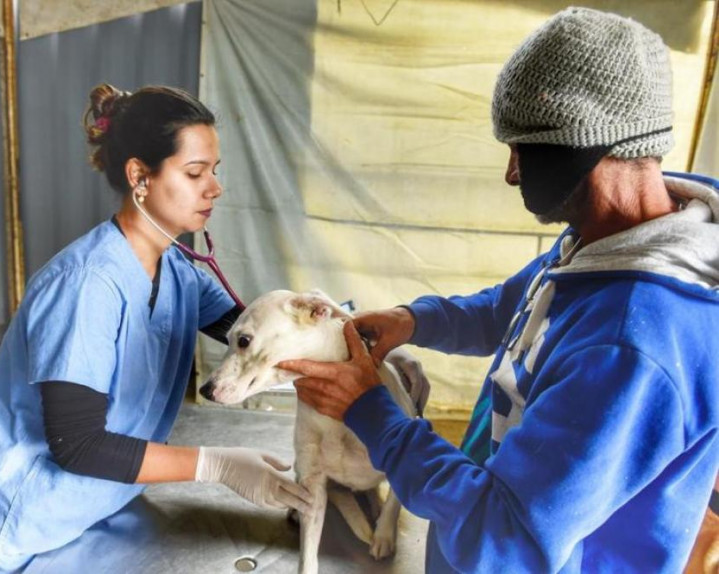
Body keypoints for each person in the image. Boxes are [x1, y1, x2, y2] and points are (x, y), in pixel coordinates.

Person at [279, 7, 719, 573]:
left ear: (591, 142)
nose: (512, 173)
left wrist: (372, 413)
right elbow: (517, 307)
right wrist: (414, 320)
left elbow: (504, 539)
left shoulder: (631, 347)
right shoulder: (602, 243)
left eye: (524, 149)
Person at [0, 84, 311, 572]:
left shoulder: (179, 273)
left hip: (98, 507)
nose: (214, 188)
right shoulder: (87, 284)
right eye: (195, 172)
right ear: (140, 176)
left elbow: (255, 337)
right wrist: (215, 465)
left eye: (214, 172)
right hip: (26, 527)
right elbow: (79, 444)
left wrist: (346, 343)